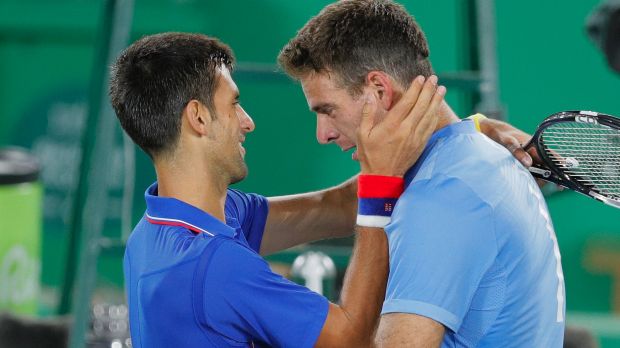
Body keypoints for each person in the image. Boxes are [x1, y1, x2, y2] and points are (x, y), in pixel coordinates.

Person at [109, 32, 446, 347]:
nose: (247, 121)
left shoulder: (162, 230)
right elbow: (349, 338)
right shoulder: (213, 265)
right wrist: (380, 180)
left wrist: (447, 138)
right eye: (233, 104)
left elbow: (338, 206)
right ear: (198, 117)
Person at [277, 0, 565, 347]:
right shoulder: (473, 158)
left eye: (328, 110)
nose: (322, 134)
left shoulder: (440, 195)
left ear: (379, 91)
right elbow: (332, 205)